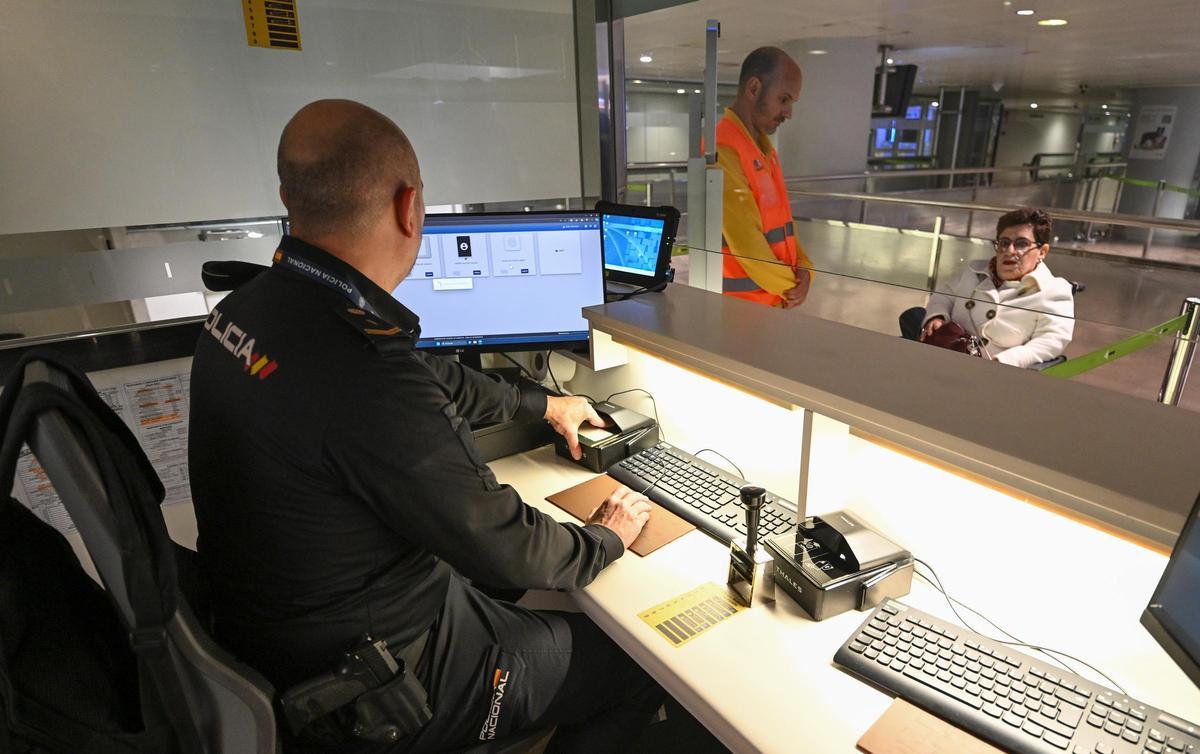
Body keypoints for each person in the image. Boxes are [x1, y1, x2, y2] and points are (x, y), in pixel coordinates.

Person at [188, 99, 663, 752]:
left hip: (283, 640)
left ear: (287, 198)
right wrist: (603, 540)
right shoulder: (363, 370)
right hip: (386, 681)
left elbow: (429, 381)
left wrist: (543, 405)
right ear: (409, 207)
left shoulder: (247, 311)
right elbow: (503, 541)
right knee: (639, 664)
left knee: (524, 600)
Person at [902, 207, 1074, 368]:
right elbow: (943, 295)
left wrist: (1004, 361)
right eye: (1004, 243)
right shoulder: (972, 271)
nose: (1009, 250)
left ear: (1042, 251)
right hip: (945, 357)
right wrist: (937, 316)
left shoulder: (1054, 291)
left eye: (1021, 244)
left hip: (994, 377)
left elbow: (1051, 341)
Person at [717, 46, 815, 309]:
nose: (789, 113)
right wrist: (792, 285)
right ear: (753, 89)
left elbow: (784, 225)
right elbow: (747, 244)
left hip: (769, 307)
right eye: (784, 100)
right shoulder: (723, 148)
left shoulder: (763, 151)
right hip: (739, 314)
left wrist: (805, 270)